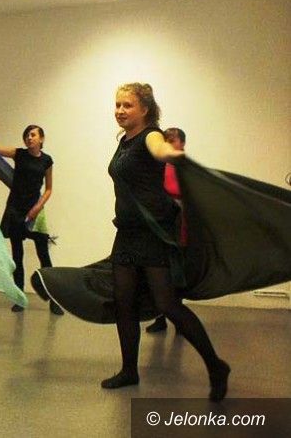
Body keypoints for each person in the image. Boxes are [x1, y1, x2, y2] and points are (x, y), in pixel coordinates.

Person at [102, 83, 229, 401]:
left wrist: (173, 153)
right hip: (126, 233)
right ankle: (129, 370)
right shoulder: (124, 142)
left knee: (168, 304)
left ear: (145, 109)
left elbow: (160, 150)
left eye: (127, 105)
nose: (120, 110)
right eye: (117, 105)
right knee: (123, 302)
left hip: (152, 233)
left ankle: (216, 366)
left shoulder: (151, 136)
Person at [0, 126, 62, 314]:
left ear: (41, 139)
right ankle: (20, 299)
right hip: (15, 209)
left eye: (33, 135)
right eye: (26, 135)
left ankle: (54, 301)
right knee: (17, 256)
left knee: (44, 256)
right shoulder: (18, 154)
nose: (29, 138)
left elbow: (48, 189)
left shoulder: (47, 160)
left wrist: (38, 207)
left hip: (35, 211)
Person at [145, 127, 186, 334]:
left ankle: (179, 320)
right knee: (159, 271)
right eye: (166, 140)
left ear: (182, 144)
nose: (168, 144)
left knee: (177, 273)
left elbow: (184, 193)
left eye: (172, 140)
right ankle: (160, 318)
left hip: (180, 225)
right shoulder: (160, 165)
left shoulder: (184, 167)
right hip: (161, 225)